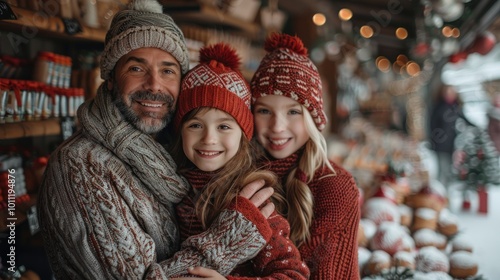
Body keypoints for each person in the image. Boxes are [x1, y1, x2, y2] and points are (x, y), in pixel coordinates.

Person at [36, 1, 276, 279]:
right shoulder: (80, 165)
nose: (154, 85)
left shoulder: (174, 148)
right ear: (111, 78)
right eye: (137, 69)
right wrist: (227, 241)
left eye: (168, 71)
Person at [169, 43, 310, 279]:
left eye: (224, 126)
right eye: (195, 125)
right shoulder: (172, 188)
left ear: (243, 136)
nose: (209, 139)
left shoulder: (252, 202)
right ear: (180, 131)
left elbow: (293, 274)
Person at [250, 33, 361, 279]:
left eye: (293, 112)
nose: (277, 126)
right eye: (265, 110)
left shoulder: (335, 187)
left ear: (313, 119)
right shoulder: (238, 174)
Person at [429, 84, 461, 188]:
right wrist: (434, 139)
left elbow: (464, 119)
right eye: (447, 92)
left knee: (448, 170)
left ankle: (444, 192)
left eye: (452, 92)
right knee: (443, 169)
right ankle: (440, 192)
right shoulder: (439, 107)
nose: (449, 95)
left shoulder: (455, 107)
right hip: (440, 143)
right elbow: (432, 125)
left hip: (451, 144)